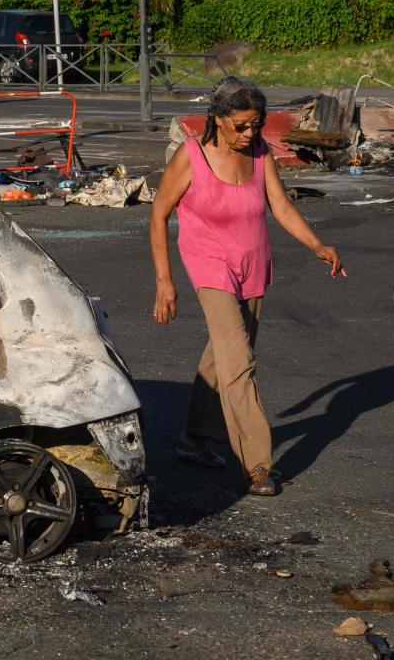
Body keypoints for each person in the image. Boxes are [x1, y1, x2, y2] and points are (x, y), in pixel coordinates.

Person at [149, 77, 345, 497]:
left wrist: (316, 244)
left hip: (253, 265)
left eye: (255, 125)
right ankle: (257, 464)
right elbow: (158, 214)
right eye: (240, 125)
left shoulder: (260, 153)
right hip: (209, 266)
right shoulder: (191, 157)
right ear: (217, 119)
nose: (249, 133)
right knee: (239, 362)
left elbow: (281, 206)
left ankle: (194, 439)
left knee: (223, 358)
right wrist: (165, 282)